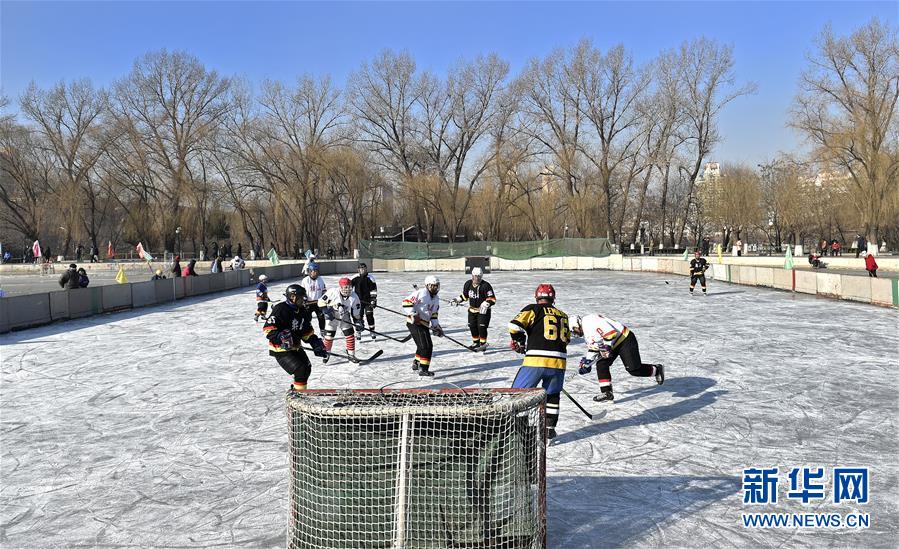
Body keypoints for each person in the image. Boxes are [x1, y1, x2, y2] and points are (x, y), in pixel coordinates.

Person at [508, 283, 570, 439]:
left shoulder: (533, 309)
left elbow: (514, 326)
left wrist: (520, 341)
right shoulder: (563, 315)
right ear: (553, 298)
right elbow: (566, 340)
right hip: (559, 363)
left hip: (536, 361)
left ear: (537, 297)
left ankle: (521, 429)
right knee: (553, 394)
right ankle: (549, 429)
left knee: (518, 394)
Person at [571, 314, 664, 403]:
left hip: (624, 339)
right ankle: (607, 393)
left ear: (577, 324)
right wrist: (588, 362)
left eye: (574, 330)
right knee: (601, 364)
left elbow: (611, 332)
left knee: (633, 370)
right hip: (612, 345)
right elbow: (594, 348)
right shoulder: (586, 333)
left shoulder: (590, 321)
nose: (574, 334)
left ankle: (657, 370)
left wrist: (607, 346)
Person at [262, 284, 328, 392]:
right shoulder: (281, 309)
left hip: (296, 346)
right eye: (301, 297)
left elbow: (306, 332)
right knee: (300, 369)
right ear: (293, 297)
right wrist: (281, 337)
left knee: (306, 368)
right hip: (281, 349)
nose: (304, 299)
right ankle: (298, 395)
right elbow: (268, 329)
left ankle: (299, 393)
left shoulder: (303, 311)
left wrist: (315, 343)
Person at [403, 275, 444, 376]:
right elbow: (406, 302)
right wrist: (414, 314)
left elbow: (433, 314)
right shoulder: (422, 293)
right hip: (414, 323)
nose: (435, 288)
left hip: (424, 323)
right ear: (427, 285)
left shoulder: (436, 299)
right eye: (433, 286)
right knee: (426, 346)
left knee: (422, 344)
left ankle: (417, 362)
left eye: (437, 286)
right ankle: (423, 369)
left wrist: (436, 326)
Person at [317, 277, 364, 362]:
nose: (347, 289)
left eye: (349, 287)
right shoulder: (332, 292)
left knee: (350, 335)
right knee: (329, 336)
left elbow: (356, 313)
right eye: (345, 287)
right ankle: (326, 353)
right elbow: (320, 302)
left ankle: (351, 354)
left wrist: (358, 321)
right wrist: (326, 311)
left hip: (344, 316)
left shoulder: (354, 297)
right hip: (332, 316)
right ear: (340, 287)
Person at [450, 267, 496, 351]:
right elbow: (465, 296)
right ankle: (476, 343)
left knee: (481, 327)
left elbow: (492, 299)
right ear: (472, 276)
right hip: (472, 310)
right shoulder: (468, 284)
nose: (477, 278)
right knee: (472, 326)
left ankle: (483, 344)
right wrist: (457, 300)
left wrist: (486, 304)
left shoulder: (486, 285)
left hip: (483, 311)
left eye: (479, 276)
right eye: (475, 276)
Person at [350, 263, 378, 340]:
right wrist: (350, 299)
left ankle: (372, 331)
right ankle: (358, 331)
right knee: (358, 316)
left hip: (368, 301)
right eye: (360, 269)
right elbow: (349, 288)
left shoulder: (370, 278)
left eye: (364, 268)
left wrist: (373, 300)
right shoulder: (354, 277)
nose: (362, 270)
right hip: (358, 302)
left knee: (369, 315)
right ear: (358, 270)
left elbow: (373, 290)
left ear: (366, 269)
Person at [300, 262, 327, 333]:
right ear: (309, 271)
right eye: (313, 271)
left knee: (321, 317)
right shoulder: (305, 280)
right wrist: (304, 299)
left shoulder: (320, 279)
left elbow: (324, 291)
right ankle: (307, 331)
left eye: (316, 271)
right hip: (309, 303)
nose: (315, 273)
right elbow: (302, 292)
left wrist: (325, 300)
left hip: (318, 302)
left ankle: (322, 330)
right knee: (307, 318)